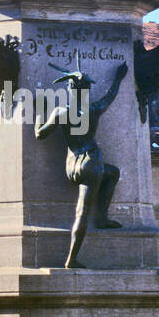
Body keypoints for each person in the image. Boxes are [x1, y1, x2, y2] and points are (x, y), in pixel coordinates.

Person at [34, 61, 127, 268]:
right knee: (82, 212)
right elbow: (111, 96)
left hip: (72, 165)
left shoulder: (61, 111)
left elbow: (40, 134)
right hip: (90, 163)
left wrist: (40, 109)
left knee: (112, 173)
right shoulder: (94, 109)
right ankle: (72, 258)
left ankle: (102, 218)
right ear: (86, 91)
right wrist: (118, 78)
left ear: (69, 89)